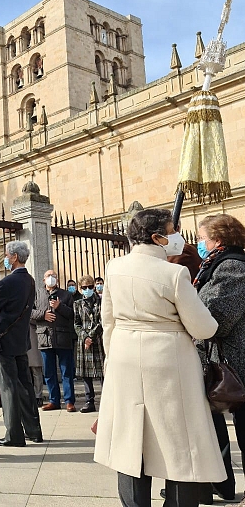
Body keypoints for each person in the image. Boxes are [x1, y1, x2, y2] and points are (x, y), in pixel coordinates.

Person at [94, 208, 224, 507]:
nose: (177, 237)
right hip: (168, 357)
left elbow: (108, 320)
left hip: (124, 352)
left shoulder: (114, 267)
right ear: (157, 237)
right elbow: (204, 328)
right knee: (178, 441)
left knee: (130, 440)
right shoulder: (174, 273)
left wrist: (112, 357)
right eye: (172, 231)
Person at [194, 213, 245, 504]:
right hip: (218, 360)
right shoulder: (214, 266)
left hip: (235, 362)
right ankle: (220, 484)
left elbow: (219, 317)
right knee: (213, 426)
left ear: (219, 239)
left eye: (203, 239)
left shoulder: (233, 268)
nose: (201, 244)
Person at [0, 241, 42, 447]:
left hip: (5, 339)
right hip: (21, 339)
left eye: (6, 255)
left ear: (13, 257)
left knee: (8, 388)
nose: (5, 258)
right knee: (25, 386)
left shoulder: (7, 282)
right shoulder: (30, 280)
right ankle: (33, 430)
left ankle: (14, 434)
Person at [33, 269, 76, 412]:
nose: (51, 278)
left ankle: (69, 401)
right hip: (44, 337)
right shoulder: (37, 294)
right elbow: (29, 313)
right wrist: (43, 315)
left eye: (54, 276)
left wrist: (60, 307)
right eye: (48, 276)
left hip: (63, 337)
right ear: (43, 280)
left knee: (66, 372)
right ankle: (54, 401)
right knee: (49, 372)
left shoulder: (66, 295)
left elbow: (72, 314)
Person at [73, 274, 104, 413]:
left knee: (103, 371)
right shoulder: (77, 304)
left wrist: (91, 336)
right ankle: (89, 401)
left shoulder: (101, 301)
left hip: (98, 339)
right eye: (84, 287)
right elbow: (76, 323)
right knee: (86, 373)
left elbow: (103, 321)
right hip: (84, 341)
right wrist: (84, 337)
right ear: (80, 288)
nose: (88, 289)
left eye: (90, 287)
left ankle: (106, 400)